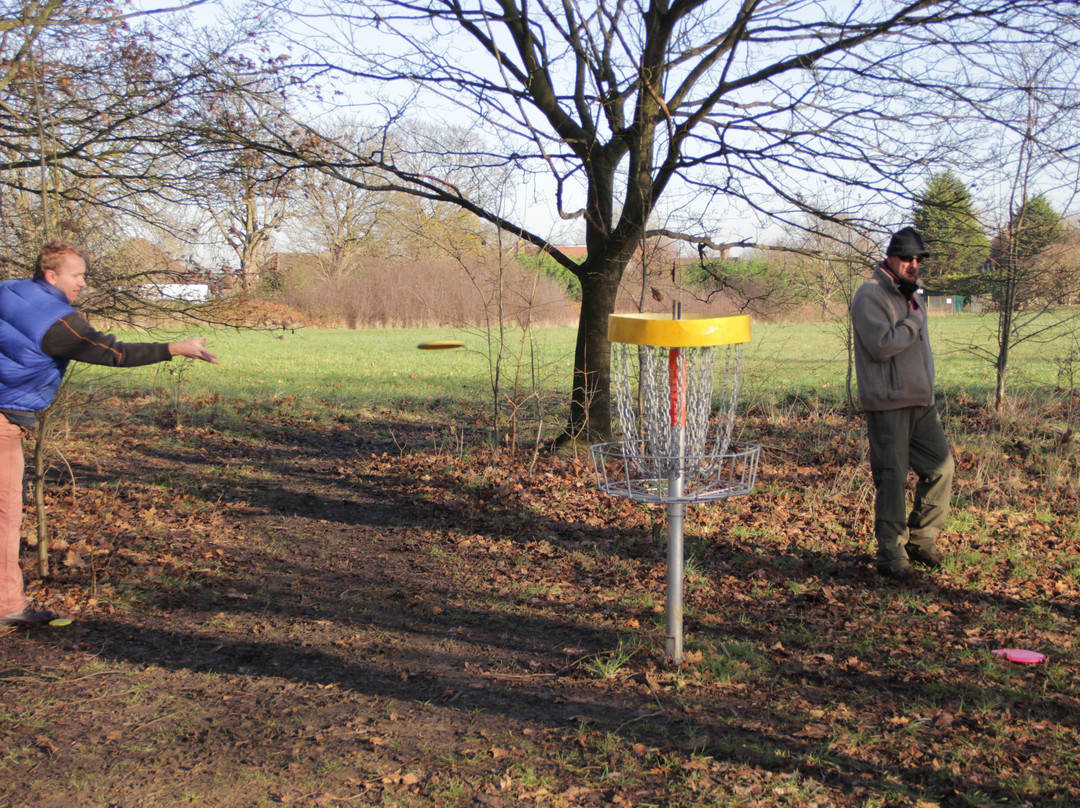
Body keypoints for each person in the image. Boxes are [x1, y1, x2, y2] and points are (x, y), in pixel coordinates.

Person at [1, 240, 219, 626]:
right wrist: (177, 347)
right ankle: (7, 607)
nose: (83, 283)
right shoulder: (57, 321)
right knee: (5, 518)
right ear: (52, 275)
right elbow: (112, 352)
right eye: (77, 275)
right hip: (3, 421)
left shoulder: (10, 290)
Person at [850, 227, 954, 581]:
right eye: (908, 258)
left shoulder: (912, 294)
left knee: (942, 468)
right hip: (888, 403)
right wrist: (914, 322)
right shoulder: (870, 295)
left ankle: (920, 541)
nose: (914, 264)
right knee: (892, 479)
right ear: (890, 258)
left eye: (918, 259)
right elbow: (880, 346)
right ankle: (891, 557)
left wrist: (915, 313)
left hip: (920, 401)